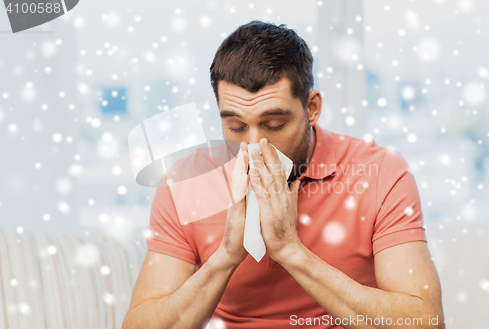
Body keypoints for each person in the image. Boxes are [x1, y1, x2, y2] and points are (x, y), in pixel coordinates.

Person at [122, 21, 445, 329]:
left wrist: (292, 252)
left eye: (274, 125)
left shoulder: (379, 172)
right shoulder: (187, 181)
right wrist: (225, 257)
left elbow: (425, 321)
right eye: (235, 126)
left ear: (312, 108)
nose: (253, 145)